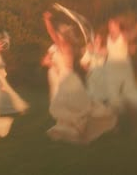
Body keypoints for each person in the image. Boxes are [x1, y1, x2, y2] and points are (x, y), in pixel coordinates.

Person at [42, 8, 117, 144]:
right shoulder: (70, 45)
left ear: (63, 36)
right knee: (74, 105)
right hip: (69, 78)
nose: (58, 36)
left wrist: (47, 21)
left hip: (66, 79)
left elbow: (51, 33)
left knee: (72, 106)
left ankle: (81, 128)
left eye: (60, 34)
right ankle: (78, 128)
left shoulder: (64, 45)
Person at [104, 17, 137, 120]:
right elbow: (109, 51)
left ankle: (134, 119)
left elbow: (134, 33)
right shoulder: (109, 37)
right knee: (113, 96)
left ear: (118, 26)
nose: (110, 27)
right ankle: (116, 122)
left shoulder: (123, 35)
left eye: (112, 25)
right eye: (109, 25)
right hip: (111, 69)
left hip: (123, 69)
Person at [80, 33, 108, 103]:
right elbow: (82, 62)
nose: (97, 41)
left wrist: (91, 50)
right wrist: (87, 69)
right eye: (96, 39)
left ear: (102, 40)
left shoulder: (104, 49)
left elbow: (102, 53)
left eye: (99, 39)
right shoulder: (89, 49)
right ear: (94, 40)